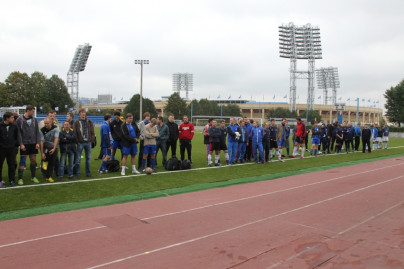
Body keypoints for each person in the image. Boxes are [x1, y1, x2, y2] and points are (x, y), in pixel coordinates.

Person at [16, 105, 41, 185]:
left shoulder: (34, 120)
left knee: (33, 160)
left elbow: (37, 131)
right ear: (28, 111)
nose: (33, 113)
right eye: (32, 111)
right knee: (23, 160)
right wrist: (21, 143)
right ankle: (20, 178)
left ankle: (33, 177)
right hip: (24, 143)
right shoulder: (19, 119)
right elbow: (18, 133)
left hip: (33, 143)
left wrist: (37, 142)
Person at [73, 108, 95, 178]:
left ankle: (88, 172)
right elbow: (75, 132)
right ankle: (78, 173)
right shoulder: (76, 122)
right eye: (82, 112)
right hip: (80, 142)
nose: (83, 114)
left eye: (84, 112)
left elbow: (92, 131)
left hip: (88, 142)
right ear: (79, 114)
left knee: (88, 158)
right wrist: (77, 141)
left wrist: (92, 139)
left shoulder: (89, 121)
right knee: (78, 159)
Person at [0, 112, 19, 187]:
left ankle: (11, 180)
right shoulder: (0, 126)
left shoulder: (14, 126)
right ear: (7, 118)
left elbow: (16, 136)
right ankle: (0, 181)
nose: (13, 119)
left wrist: (14, 144)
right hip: (1, 149)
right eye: (12, 117)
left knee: (11, 165)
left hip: (11, 149)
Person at [40, 117, 59, 183]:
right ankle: (45, 161)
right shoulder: (42, 130)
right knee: (49, 145)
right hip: (45, 145)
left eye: (47, 123)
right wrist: (42, 153)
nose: (46, 125)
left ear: (51, 122)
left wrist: (54, 148)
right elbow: (41, 142)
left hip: (53, 146)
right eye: (45, 123)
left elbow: (56, 138)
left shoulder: (55, 128)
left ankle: (48, 176)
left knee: (52, 161)